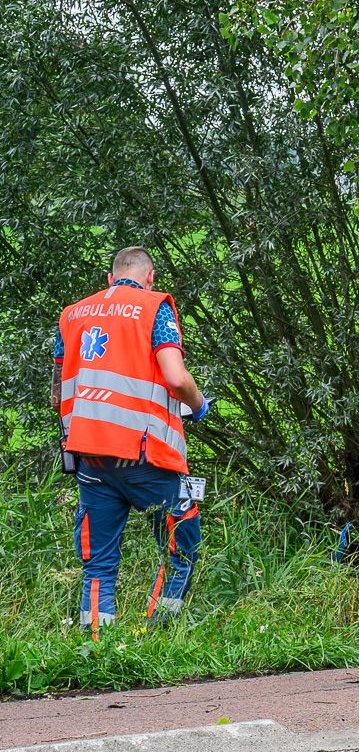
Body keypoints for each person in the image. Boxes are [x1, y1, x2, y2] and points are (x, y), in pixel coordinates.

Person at [54, 246, 212, 633]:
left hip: (89, 455)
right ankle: (158, 634)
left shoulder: (72, 315)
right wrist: (199, 404)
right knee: (180, 548)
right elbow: (175, 379)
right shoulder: (154, 307)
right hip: (146, 456)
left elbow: (58, 391)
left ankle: (95, 648)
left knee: (99, 563)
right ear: (150, 277)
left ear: (110, 279)